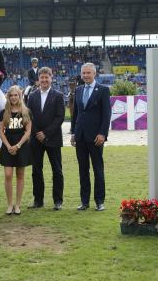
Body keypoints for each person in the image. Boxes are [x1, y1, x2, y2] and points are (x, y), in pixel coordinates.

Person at [70, 62, 111, 212]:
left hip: (96, 137)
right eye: (84, 73)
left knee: (98, 170)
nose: (86, 75)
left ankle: (99, 201)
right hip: (80, 136)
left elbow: (107, 115)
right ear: (81, 74)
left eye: (88, 73)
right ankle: (84, 201)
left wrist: (103, 133)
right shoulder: (79, 90)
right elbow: (76, 114)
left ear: (94, 74)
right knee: (83, 170)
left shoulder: (103, 90)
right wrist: (73, 132)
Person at [26, 67, 65, 210]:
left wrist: (46, 133)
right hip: (36, 139)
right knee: (36, 170)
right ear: (38, 79)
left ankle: (58, 201)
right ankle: (38, 200)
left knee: (57, 170)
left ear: (51, 78)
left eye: (46, 77)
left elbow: (60, 117)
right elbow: (29, 117)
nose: (44, 80)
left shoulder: (58, 95)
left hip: (53, 138)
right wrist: (37, 133)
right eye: (41, 77)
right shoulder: (32, 96)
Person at [0, 86, 32, 215]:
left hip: (21, 145)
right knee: (8, 175)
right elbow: (1, 131)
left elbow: (28, 131)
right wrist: (8, 146)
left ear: (20, 96)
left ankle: (17, 205)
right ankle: (9, 204)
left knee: (20, 175)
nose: (13, 97)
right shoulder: (4, 112)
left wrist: (18, 145)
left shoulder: (26, 111)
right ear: (8, 97)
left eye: (16, 95)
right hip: (7, 145)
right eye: (11, 95)